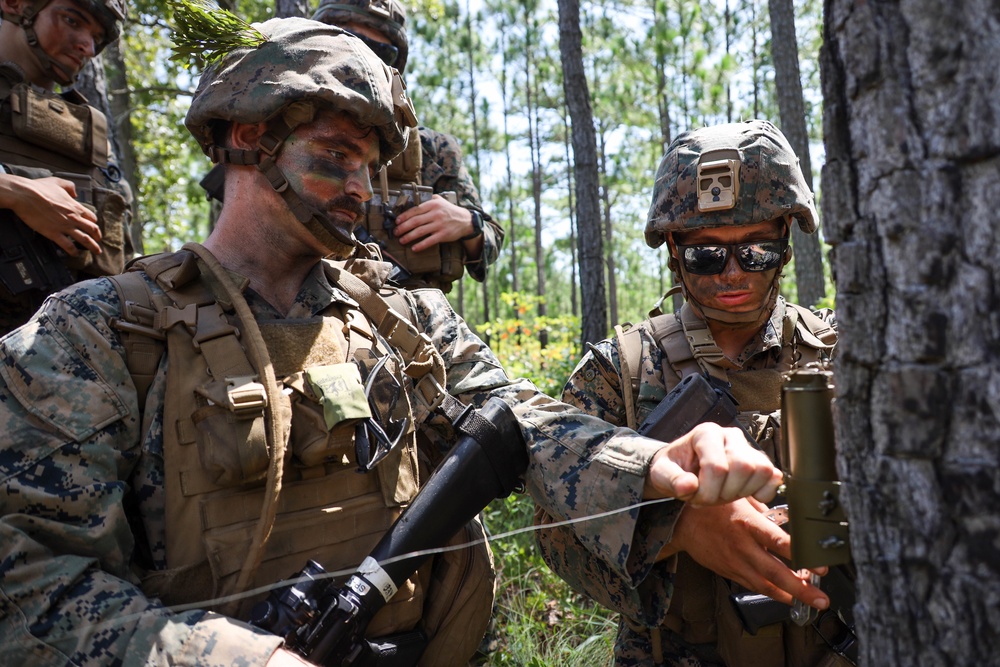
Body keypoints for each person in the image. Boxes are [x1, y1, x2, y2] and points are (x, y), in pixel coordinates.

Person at [0, 19, 785, 666]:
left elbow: (519, 423)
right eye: (336, 158)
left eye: (371, 167)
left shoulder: (402, 320)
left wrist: (650, 463)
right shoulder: (96, 334)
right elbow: (30, 578)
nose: (361, 191)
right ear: (248, 138)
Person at [536, 119, 848, 666]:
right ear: (675, 250)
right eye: (707, 255)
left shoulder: (842, 354)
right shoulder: (621, 371)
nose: (732, 275)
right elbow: (554, 536)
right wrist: (678, 528)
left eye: (756, 252)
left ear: (785, 244)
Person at [310, 0, 503, 293]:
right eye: (351, 44)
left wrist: (466, 222)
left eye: (380, 53)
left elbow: (492, 238)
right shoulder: (281, 133)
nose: (365, 62)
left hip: (409, 321)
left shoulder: (431, 151)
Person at [0, 0, 132, 336]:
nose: (87, 46)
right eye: (72, 20)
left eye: (96, 37)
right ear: (15, 4)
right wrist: (16, 192)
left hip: (61, 365)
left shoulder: (87, 135)